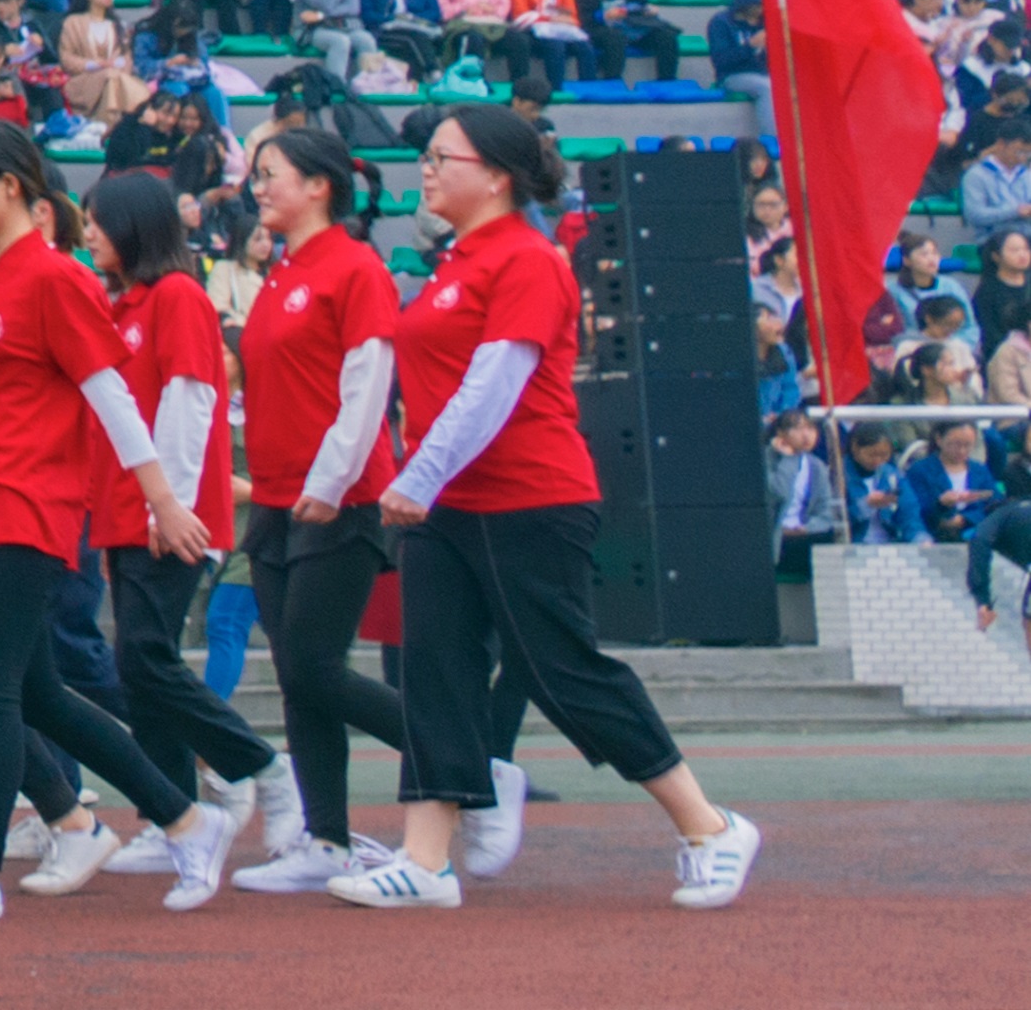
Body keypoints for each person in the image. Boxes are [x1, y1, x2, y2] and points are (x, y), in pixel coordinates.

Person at [331, 104, 762, 910]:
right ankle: (426, 859)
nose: (423, 169)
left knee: (559, 667)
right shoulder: (455, 260)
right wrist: (423, 482)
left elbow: (496, 386)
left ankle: (708, 825)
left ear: (496, 174)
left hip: (527, 495)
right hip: (445, 505)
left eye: (440, 157)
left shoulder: (527, 259)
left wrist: (417, 477)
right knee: (436, 672)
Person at [0, 123, 210, 918]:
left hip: (25, 505)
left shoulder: (57, 280)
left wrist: (163, 498)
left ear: (17, 189)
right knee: (40, 696)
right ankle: (188, 818)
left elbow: (109, 394)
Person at [225, 126, 420, 888]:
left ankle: (466, 759)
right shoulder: (279, 271)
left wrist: (332, 482)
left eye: (272, 174)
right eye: (258, 175)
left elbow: (367, 386)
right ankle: (326, 840)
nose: (258, 186)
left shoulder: (356, 267)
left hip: (340, 497)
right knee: (298, 671)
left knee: (310, 665)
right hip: (277, 499)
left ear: (320, 186)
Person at [85, 169, 279, 884]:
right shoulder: (127, 304)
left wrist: (168, 507)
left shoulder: (176, 298)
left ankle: (256, 765)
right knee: (141, 668)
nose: (91, 233)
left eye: (100, 220)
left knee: (144, 659)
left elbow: (191, 400)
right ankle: (173, 815)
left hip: (165, 514)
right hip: (129, 510)